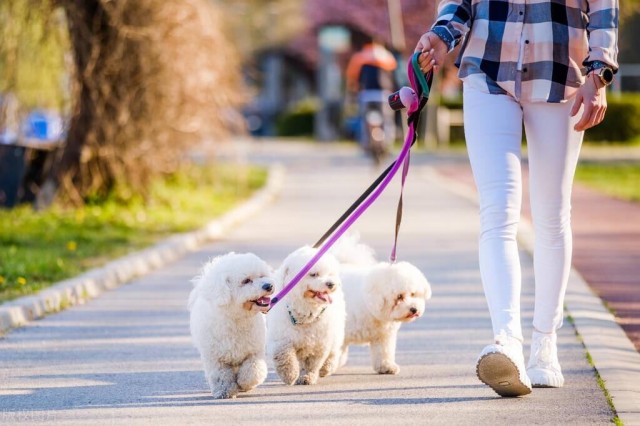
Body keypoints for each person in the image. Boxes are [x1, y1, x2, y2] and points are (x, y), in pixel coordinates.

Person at [414, 0, 618, 397]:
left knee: (552, 214)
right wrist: (441, 36)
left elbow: (605, 9)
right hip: (487, 69)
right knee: (497, 211)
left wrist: (600, 72)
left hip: (561, 75)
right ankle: (507, 341)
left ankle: (545, 346)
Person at [345, 40, 398, 154]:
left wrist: (352, 92)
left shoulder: (360, 57)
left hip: (366, 93)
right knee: (387, 120)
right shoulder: (387, 56)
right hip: (384, 94)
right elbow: (394, 76)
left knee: (364, 120)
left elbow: (352, 77)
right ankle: (388, 144)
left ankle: (365, 144)